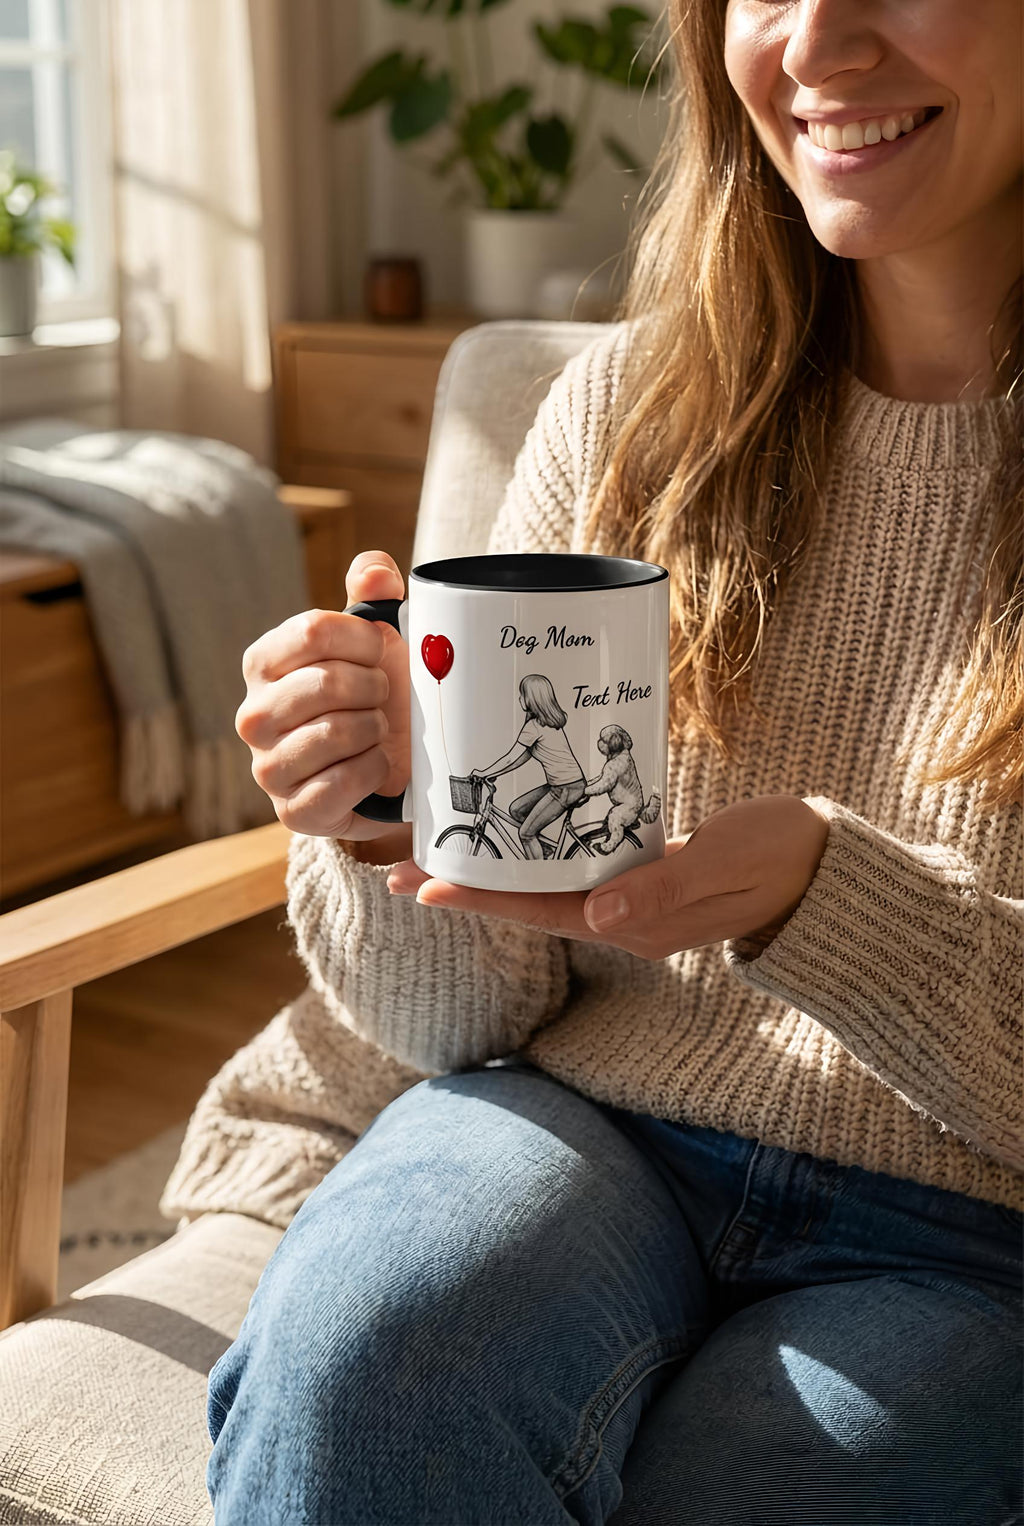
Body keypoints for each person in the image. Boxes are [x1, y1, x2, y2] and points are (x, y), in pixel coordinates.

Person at [198, 0, 1023, 1519]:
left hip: (976, 1234)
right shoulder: (639, 415)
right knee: (361, 1368)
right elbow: (456, 1022)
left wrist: (822, 901)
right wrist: (392, 820)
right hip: (587, 1124)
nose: (821, 42)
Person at [470, 673, 588, 860]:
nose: (520, 698)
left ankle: (540, 874)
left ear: (532, 699)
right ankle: (542, 850)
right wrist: (495, 773)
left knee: (525, 834)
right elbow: (520, 759)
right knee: (517, 809)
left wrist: (484, 773)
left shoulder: (534, 727)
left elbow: (510, 758)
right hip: (566, 785)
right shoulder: (546, 724)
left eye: (523, 694)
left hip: (565, 788)